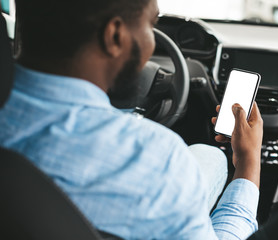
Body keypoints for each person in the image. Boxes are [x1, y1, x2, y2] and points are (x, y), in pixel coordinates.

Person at [0, 0, 263, 239]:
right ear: (115, 35)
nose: (152, 41)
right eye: (152, 25)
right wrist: (248, 163)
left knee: (209, 157)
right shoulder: (156, 159)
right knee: (209, 158)